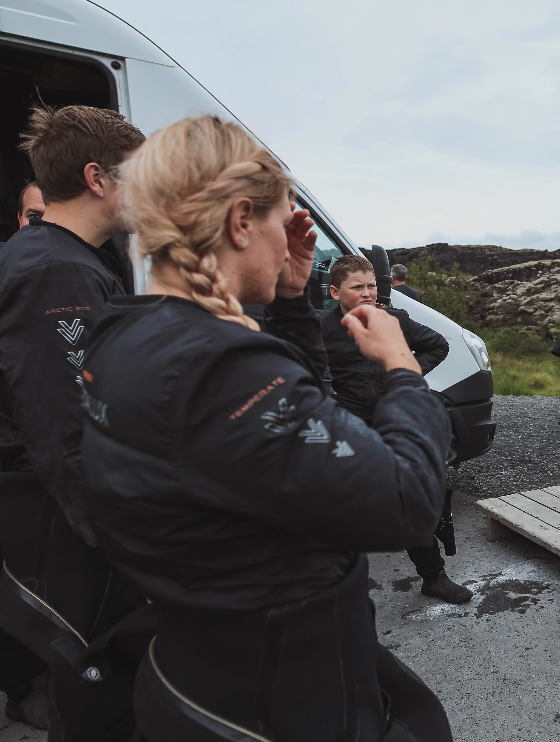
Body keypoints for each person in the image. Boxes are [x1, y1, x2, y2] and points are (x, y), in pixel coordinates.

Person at [81, 115, 453, 741]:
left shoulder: (125, 330)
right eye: (283, 222)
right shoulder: (221, 365)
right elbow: (408, 501)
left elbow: (300, 407)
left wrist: (289, 299)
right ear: (241, 221)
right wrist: (401, 367)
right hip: (280, 693)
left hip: (194, 666)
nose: (288, 242)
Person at [0, 105, 149, 738]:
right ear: (97, 177)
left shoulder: (61, 255)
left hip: (50, 507)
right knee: (100, 688)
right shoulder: (55, 270)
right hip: (52, 516)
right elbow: (68, 430)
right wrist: (140, 549)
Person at [321, 255, 471, 604]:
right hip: (347, 423)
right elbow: (303, 361)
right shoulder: (322, 328)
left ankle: (433, 577)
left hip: (393, 420)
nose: (367, 293)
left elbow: (439, 345)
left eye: (371, 285)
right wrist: (325, 384)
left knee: (405, 498)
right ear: (335, 292)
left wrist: (405, 370)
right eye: (357, 287)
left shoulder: (394, 320)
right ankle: (337, 589)